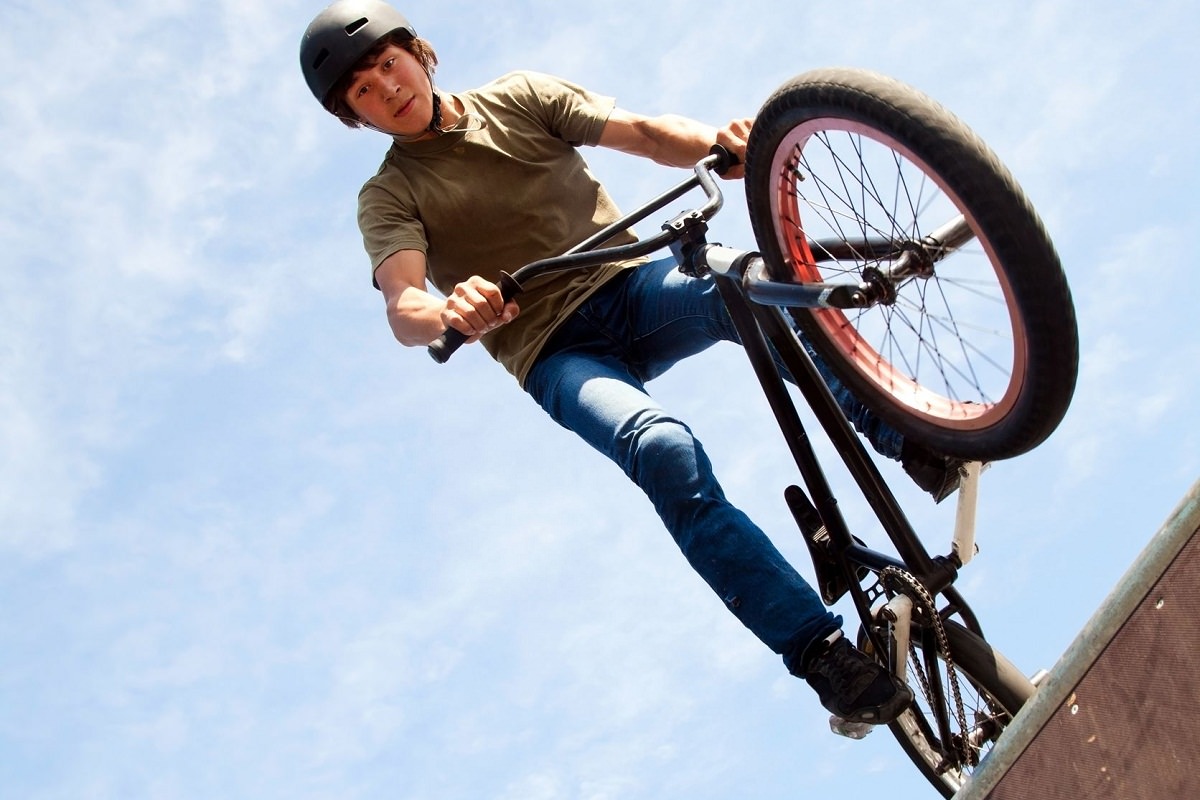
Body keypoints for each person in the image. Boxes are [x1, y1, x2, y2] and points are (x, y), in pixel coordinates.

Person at [298, 0, 963, 725]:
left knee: (743, 285)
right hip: (555, 350)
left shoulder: (519, 97)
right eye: (363, 90)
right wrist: (451, 309)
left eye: (388, 65)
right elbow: (402, 303)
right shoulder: (388, 194)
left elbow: (645, 135)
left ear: (418, 52)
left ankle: (906, 438)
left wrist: (717, 142)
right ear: (354, 117)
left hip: (635, 287)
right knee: (661, 449)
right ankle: (818, 654)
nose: (386, 89)